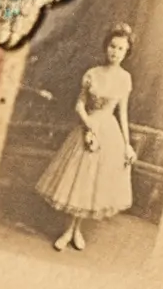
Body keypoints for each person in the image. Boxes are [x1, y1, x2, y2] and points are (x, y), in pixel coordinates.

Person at [36, 25, 136, 252]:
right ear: (106, 47)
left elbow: (122, 114)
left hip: (109, 134)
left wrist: (127, 144)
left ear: (126, 52)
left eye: (121, 49)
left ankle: (75, 231)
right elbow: (79, 104)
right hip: (87, 127)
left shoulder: (125, 79)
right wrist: (88, 123)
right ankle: (68, 231)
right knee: (77, 180)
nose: (115, 52)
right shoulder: (92, 73)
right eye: (112, 46)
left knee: (91, 183)